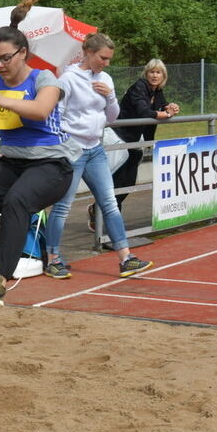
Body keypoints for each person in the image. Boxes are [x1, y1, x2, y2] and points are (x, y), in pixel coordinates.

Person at [0, 0, 77, 308]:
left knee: (16, 201)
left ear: (23, 53)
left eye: (5, 58)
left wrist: (4, 99)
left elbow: (41, 111)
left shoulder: (44, 78)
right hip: (11, 161)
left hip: (51, 165)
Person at [44, 33, 154, 280]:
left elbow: (112, 117)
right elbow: (56, 115)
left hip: (96, 149)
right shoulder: (68, 79)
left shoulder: (105, 79)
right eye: (103, 58)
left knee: (110, 202)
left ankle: (126, 258)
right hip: (73, 150)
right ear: (88, 52)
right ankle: (53, 259)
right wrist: (64, 145)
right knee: (62, 206)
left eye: (109, 59)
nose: (106, 63)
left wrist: (109, 96)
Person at [104, 58, 179, 214]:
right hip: (118, 136)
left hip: (134, 139)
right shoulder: (139, 86)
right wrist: (166, 114)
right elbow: (143, 112)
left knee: (129, 181)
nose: (155, 75)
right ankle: (108, 212)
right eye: (152, 72)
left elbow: (162, 105)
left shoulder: (157, 91)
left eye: (158, 72)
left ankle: (103, 210)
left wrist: (171, 107)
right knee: (116, 177)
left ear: (163, 76)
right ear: (146, 74)